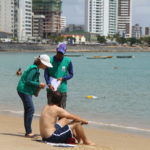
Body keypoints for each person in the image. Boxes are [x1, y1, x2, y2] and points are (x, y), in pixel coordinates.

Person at [17, 54, 53, 137]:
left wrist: (39, 85)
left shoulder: (35, 68)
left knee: (28, 110)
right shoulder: (34, 69)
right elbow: (28, 81)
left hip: (24, 90)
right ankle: (28, 132)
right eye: (46, 65)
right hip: (24, 90)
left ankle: (28, 132)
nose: (46, 67)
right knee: (31, 109)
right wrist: (38, 84)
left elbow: (29, 81)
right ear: (41, 63)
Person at [44, 43, 73, 108]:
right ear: (56, 50)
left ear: (65, 52)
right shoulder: (50, 60)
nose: (60, 54)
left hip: (62, 90)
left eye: (62, 53)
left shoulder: (68, 61)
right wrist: (48, 84)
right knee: (50, 111)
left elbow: (71, 74)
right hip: (51, 89)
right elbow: (46, 74)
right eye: (59, 52)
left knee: (62, 111)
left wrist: (63, 78)